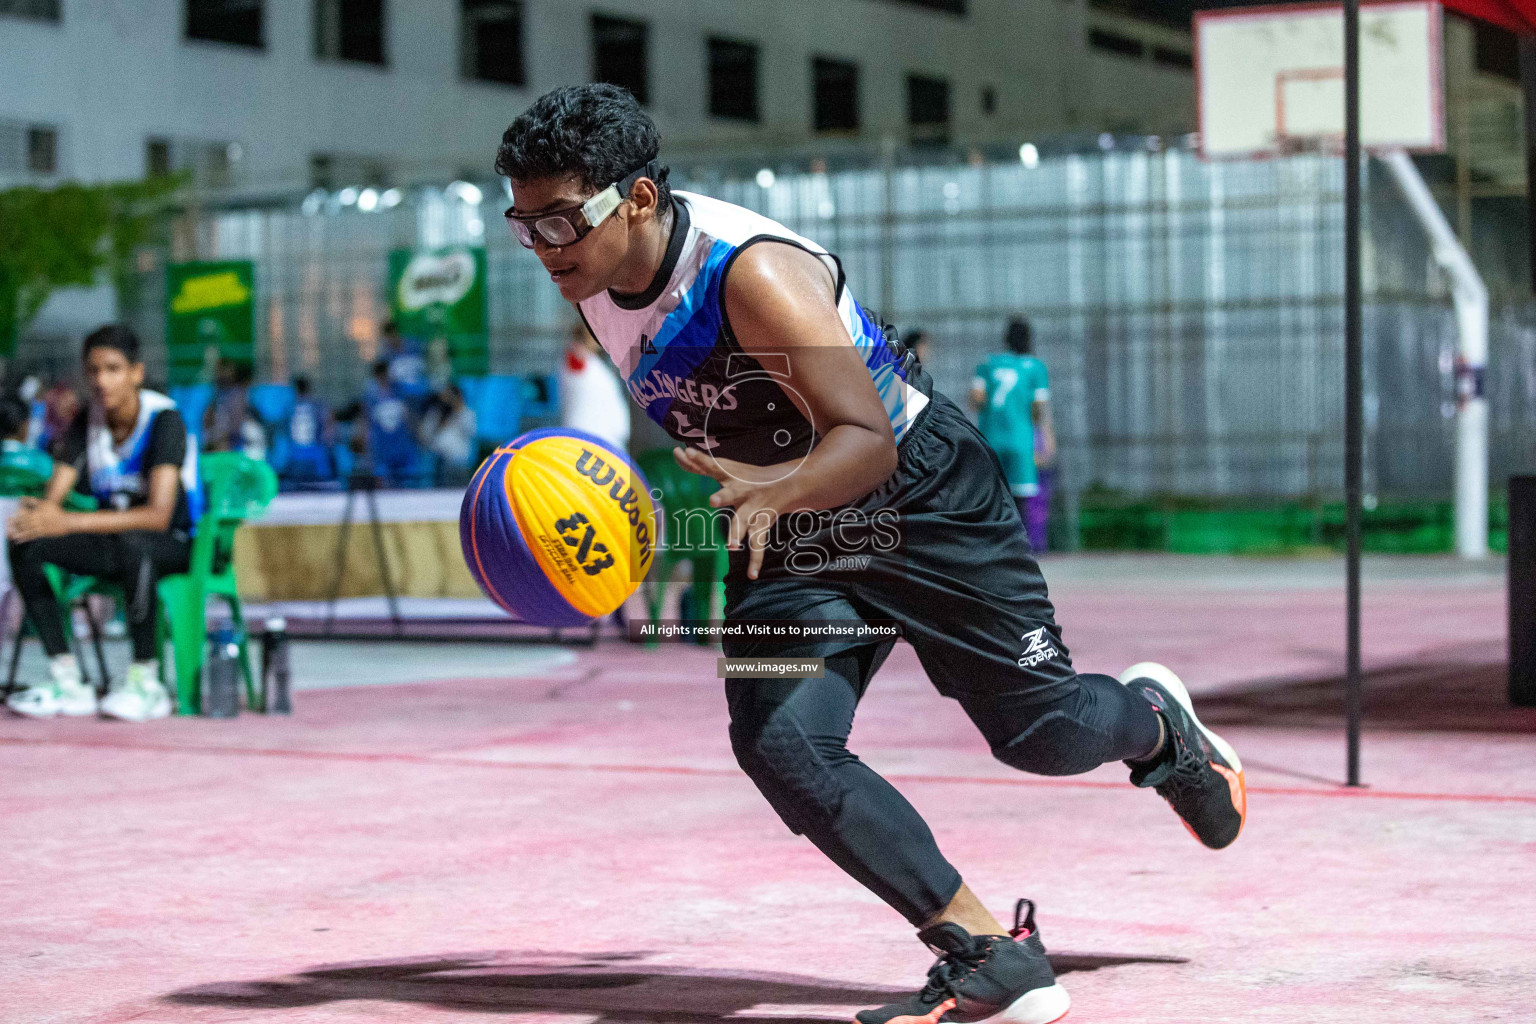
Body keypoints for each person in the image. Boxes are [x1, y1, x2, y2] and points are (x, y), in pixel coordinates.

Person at [496, 85, 1245, 1024]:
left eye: (562, 219)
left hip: (919, 498)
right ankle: (986, 950)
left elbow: (866, 439)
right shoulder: (592, 280)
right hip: (793, 532)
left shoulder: (749, 275)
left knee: (1040, 737)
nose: (543, 246)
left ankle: (1156, 728)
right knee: (782, 743)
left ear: (637, 199)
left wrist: (770, 488)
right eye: (525, 223)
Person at [5, 325, 199, 722]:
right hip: (115, 541)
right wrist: (40, 512)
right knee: (25, 537)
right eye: (93, 370)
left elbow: (159, 516)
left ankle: (147, 681)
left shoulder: (164, 421)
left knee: (136, 542)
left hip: (176, 544)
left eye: (113, 369)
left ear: (136, 373)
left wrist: (67, 521)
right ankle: (67, 678)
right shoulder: (86, 422)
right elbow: (55, 497)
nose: (101, 380)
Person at [970, 319, 1056, 549]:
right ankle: (1018, 549)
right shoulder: (1035, 367)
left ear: (1006, 338)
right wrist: (1044, 436)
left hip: (991, 439)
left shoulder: (988, 364)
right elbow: (1038, 408)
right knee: (1020, 497)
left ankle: (991, 546)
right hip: (1021, 440)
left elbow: (976, 399)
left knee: (993, 493)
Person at [558, 319, 631, 452]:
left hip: (608, 440)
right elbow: (576, 355)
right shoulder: (579, 362)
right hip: (587, 439)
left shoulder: (597, 364)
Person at [362, 359, 419, 487]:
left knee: (406, 480)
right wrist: (368, 445)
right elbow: (367, 422)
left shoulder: (399, 392)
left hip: (400, 443)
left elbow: (407, 416)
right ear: (376, 376)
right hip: (383, 447)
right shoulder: (371, 397)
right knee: (384, 482)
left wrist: (414, 434)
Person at [279, 376, 336, 486]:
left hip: (308, 452)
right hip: (303, 452)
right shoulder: (316, 406)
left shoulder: (291, 408)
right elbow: (328, 429)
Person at [419, 383, 478, 486]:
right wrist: (439, 422)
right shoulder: (436, 413)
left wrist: (457, 407)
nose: (446, 399)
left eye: (449, 396)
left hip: (460, 463)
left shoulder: (466, 413)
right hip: (438, 462)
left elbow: (471, 432)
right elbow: (424, 435)